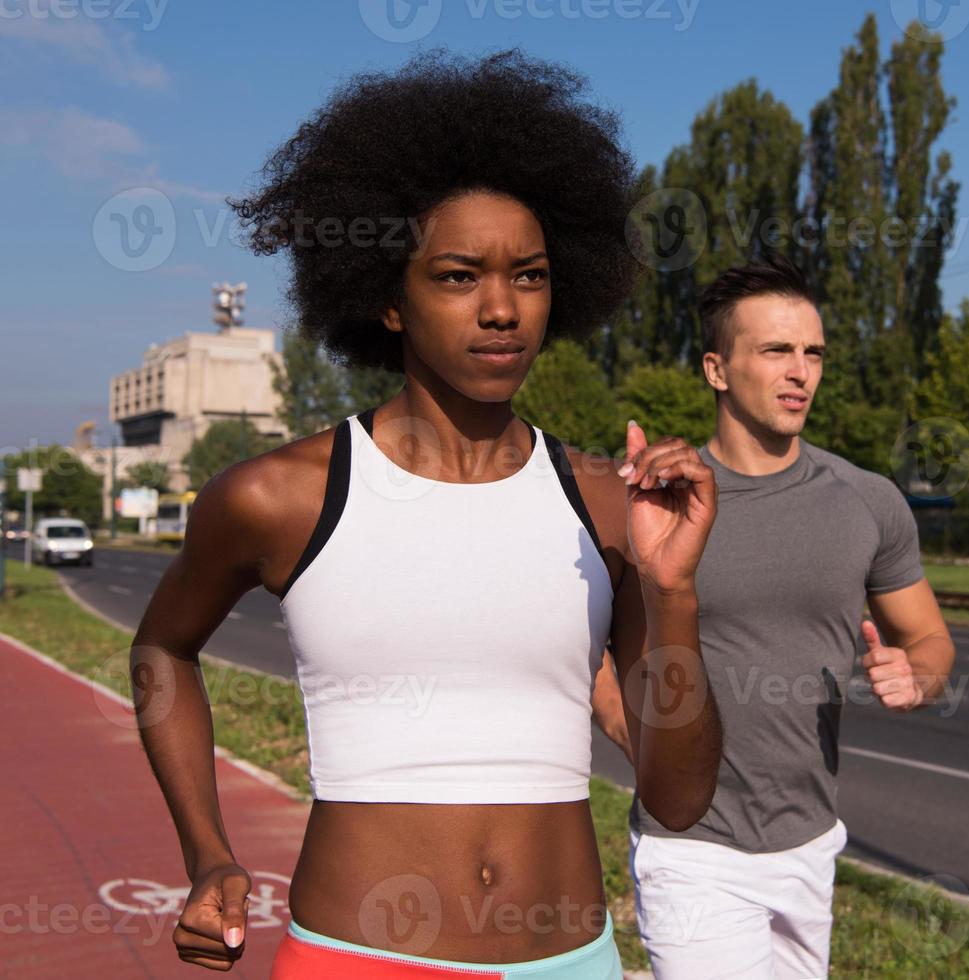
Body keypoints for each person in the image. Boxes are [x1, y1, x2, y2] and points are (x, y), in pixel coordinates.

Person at [128, 50, 722, 978]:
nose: (500, 308)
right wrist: (206, 853)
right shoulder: (279, 497)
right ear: (387, 299)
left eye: (528, 275)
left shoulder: (608, 503)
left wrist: (674, 590)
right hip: (359, 958)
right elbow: (162, 649)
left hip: (570, 962)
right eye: (456, 276)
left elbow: (680, 799)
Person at [593, 252, 956, 980]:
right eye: (776, 351)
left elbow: (929, 639)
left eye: (813, 352)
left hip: (811, 842)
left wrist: (917, 676)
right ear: (717, 369)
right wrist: (650, 752)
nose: (802, 372)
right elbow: (590, 655)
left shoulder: (867, 500)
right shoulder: (658, 503)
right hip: (692, 846)